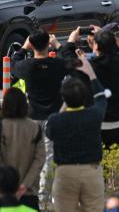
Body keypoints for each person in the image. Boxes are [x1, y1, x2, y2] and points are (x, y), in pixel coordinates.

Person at [11, 29, 73, 206]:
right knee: (48, 157)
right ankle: (44, 197)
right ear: (48, 44)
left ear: (32, 45)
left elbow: (14, 62)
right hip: (54, 116)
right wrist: (59, 45)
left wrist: (23, 47)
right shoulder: (57, 65)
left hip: (32, 117)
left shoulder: (27, 66)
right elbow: (71, 62)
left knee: (30, 157)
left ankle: (31, 191)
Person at [47, 51, 107, 212]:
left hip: (65, 172)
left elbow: (49, 133)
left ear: (64, 98)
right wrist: (91, 74)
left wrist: (65, 103)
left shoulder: (56, 120)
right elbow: (101, 97)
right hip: (91, 171)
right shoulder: (94, 115)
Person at [68, 27, 119, 147]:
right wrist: (103, 34)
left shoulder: (88, 67)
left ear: (95, 46)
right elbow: (116, 50)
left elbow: (66, 59)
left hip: (96, 123)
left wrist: (71, 40)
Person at [0, 88, 45, 211]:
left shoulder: (2, 127)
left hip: (3, 193)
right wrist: (25, 184)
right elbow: (40, 158)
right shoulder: (35, 128)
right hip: (29, 192)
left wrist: (5, 181)